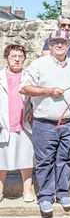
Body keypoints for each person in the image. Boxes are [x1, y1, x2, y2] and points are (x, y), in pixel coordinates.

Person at [20, 30, 70, 214]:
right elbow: (24, 88)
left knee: (64, 159)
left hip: (69, 123)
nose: (59, 44)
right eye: (55, 41)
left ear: (69, 44)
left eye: (63, 41)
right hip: (45, 123)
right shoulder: (39, 64)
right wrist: (47, 91)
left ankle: (63, 193)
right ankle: (46, 197)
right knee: (45, 161)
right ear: (49, 44)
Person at [0, 44, 35, 203]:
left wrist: (33, 110)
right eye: (13, 56)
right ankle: (0, 190)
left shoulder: (29, 76)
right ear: (7, 58)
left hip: (24, 123)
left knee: (26, 157)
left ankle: (27, 190)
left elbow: (37, 97)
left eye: (20, 57)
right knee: (1, 159)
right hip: (3, 123)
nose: (17, 59)